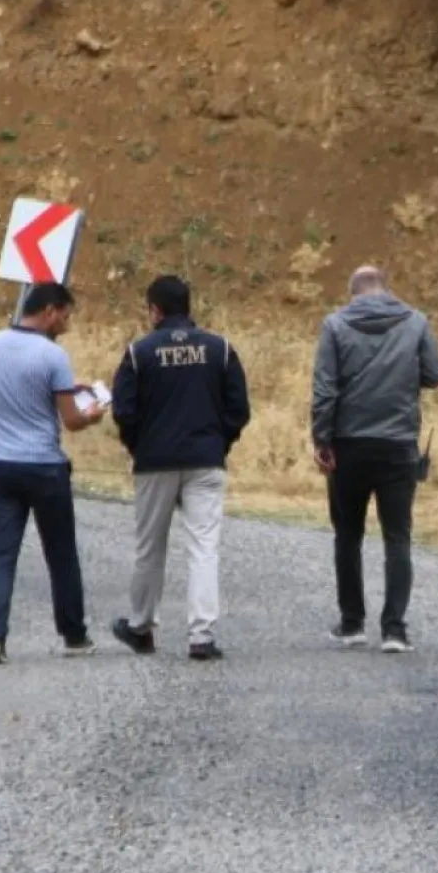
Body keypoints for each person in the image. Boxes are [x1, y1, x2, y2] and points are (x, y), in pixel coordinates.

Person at [107, 275, 251, 661]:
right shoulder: (219, 349)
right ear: (188, 307)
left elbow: (124, 411)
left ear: (154, 309)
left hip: (154, 461)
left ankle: (141, 626)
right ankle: (201, 635)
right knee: (204, 546)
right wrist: (220, 442)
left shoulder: (140, 352)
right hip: (205, 458)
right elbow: (239, 409)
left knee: (150, 547)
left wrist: (138, 446)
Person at [311, 265, 438, 653]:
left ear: (353, 293)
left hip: (348, 443)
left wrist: (322, 439)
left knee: (348, 535)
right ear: (387, 289)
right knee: (397, 537)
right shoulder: (416, 322)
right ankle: (394, 630)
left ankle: (352, 624)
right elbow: (434, 375)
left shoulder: (335, 326)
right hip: (398, 443)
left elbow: (324, 388)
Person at [0, 282, 106, 665]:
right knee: (61, 553)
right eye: (64, 316)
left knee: (0, 552)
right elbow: (71, 420)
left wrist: (66, 387)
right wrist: (92, 415)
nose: (65, 324)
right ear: (49, 311)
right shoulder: (53, 356)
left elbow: (17, 386)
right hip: (44, 467)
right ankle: (73, 635)